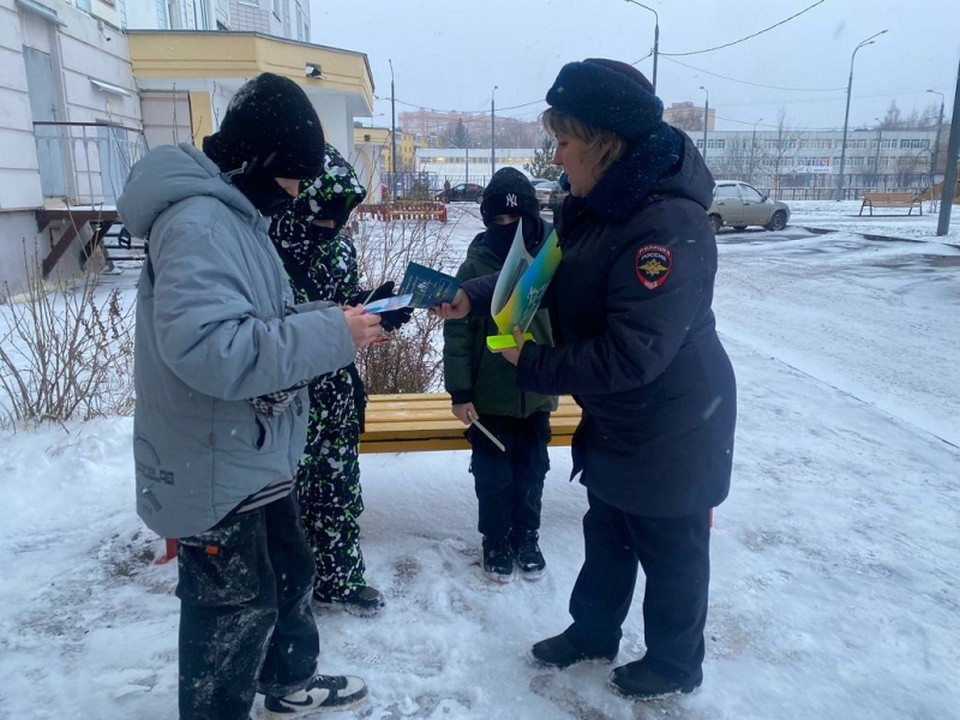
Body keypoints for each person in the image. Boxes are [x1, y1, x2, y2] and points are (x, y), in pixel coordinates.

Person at [433, 59, 737, 701]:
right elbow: (540, 277)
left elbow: (634, 356)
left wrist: (533, 365)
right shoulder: (592, 207)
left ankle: (675, 663)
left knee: (672, 551)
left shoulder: (667, 227)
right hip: (619, 415)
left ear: (604, 141)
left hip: (674, 422)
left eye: (564, 140)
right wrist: (471, 297)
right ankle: (593, 632)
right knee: (609, 533)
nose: (556, 153)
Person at [117, 72, 380, 720]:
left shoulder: (237, 215)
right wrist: (328, 334)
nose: (297, 194)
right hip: (213, 460)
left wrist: (336, 320)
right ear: (258, 160)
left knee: (288, 573)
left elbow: (259, 319)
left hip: (246, 451)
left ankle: (287, 683)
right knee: (229, 609)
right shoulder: (200, 224)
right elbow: (212, 350)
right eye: (292, 176)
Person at [268, 143, 411, 615]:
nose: (331, 226)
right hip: (285, 400)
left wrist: (379, 309)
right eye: (321, 215)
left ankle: (339, 579)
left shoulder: (339, 248)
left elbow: (347, 308)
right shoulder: (261, 257)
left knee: (339, 491)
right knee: (283, 507)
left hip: (337, 395)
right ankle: (287, 595)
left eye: (340, 215)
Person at [442, 167, 558, 583]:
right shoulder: (474, 265)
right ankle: (494, 539)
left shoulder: (555, 259)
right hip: (488, 398)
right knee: (492, 476)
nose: (508, 228)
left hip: (537, 392)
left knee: (533, 470)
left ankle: (527, 535)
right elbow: (456, 333)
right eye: (498, 221)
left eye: (517, 219)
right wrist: (459, 390)